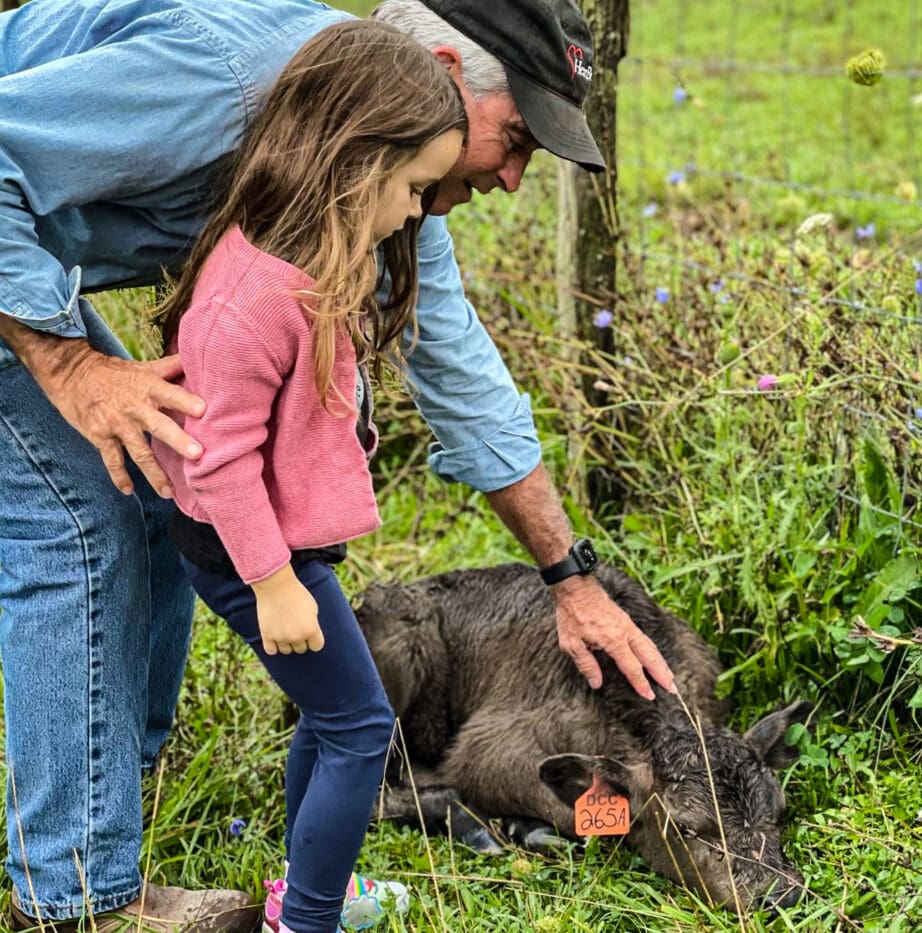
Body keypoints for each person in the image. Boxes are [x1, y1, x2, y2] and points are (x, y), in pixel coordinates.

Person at [0, 0, 676, 929]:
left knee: (154, 488)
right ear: (437, 72)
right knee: (89, 516)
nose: (515, 180)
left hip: (29, 257)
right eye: (516, 139)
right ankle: (79, 896)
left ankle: (117, 795)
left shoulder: (366, 189)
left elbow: (461, 376)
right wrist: (68, 364)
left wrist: (568, 575)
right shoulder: (227, 88)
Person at [149, 18, 467, 933]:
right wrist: (274, 580)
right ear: (358, 161)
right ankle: (309, 920)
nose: (415, 212)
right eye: (411, 187)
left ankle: (302, 896)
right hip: (248, 549)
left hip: (279, 549)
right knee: (364, 728)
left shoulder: (300, 270)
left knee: (337, 720)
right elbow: (219, 456)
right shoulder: (252, 303)